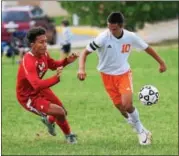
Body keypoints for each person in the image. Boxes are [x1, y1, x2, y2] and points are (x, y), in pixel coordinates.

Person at [77, 12, 167, 145]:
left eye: (113, 29)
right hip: (106, 76)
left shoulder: (130, 37)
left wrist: (161, 63)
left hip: (124, 73)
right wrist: (81, 68)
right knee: (121, 108)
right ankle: (138, 126)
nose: (110, 31)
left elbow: (147, 48)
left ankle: (141, 131)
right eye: (109, 28)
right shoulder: (102, 38)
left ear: (121, 26)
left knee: (127, 104)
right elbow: (84, 52)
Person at [16, 26, 78, 144]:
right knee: (59, 112)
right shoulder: (28, 61)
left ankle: (49, 120)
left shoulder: (44, 54)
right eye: (41, 42)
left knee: (63, 111)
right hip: (28, 96)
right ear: (32, 44)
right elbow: (36, 84)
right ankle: (69, 136)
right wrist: (56, 78)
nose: (45, 45)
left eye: (46, 41)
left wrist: (67, 61)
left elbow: (53, 64)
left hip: (40, 89)